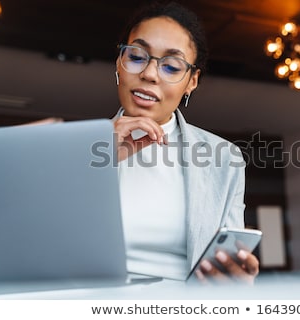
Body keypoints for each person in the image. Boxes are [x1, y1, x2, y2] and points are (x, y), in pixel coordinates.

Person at [112, 1, 259, 284]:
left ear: (192, 81)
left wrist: (235, 282)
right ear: (119, 62)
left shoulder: (224, 158)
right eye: (137, 56)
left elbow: (226, 267)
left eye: (171, 66)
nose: (150, 74)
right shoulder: (75, 147)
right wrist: (91, 155)